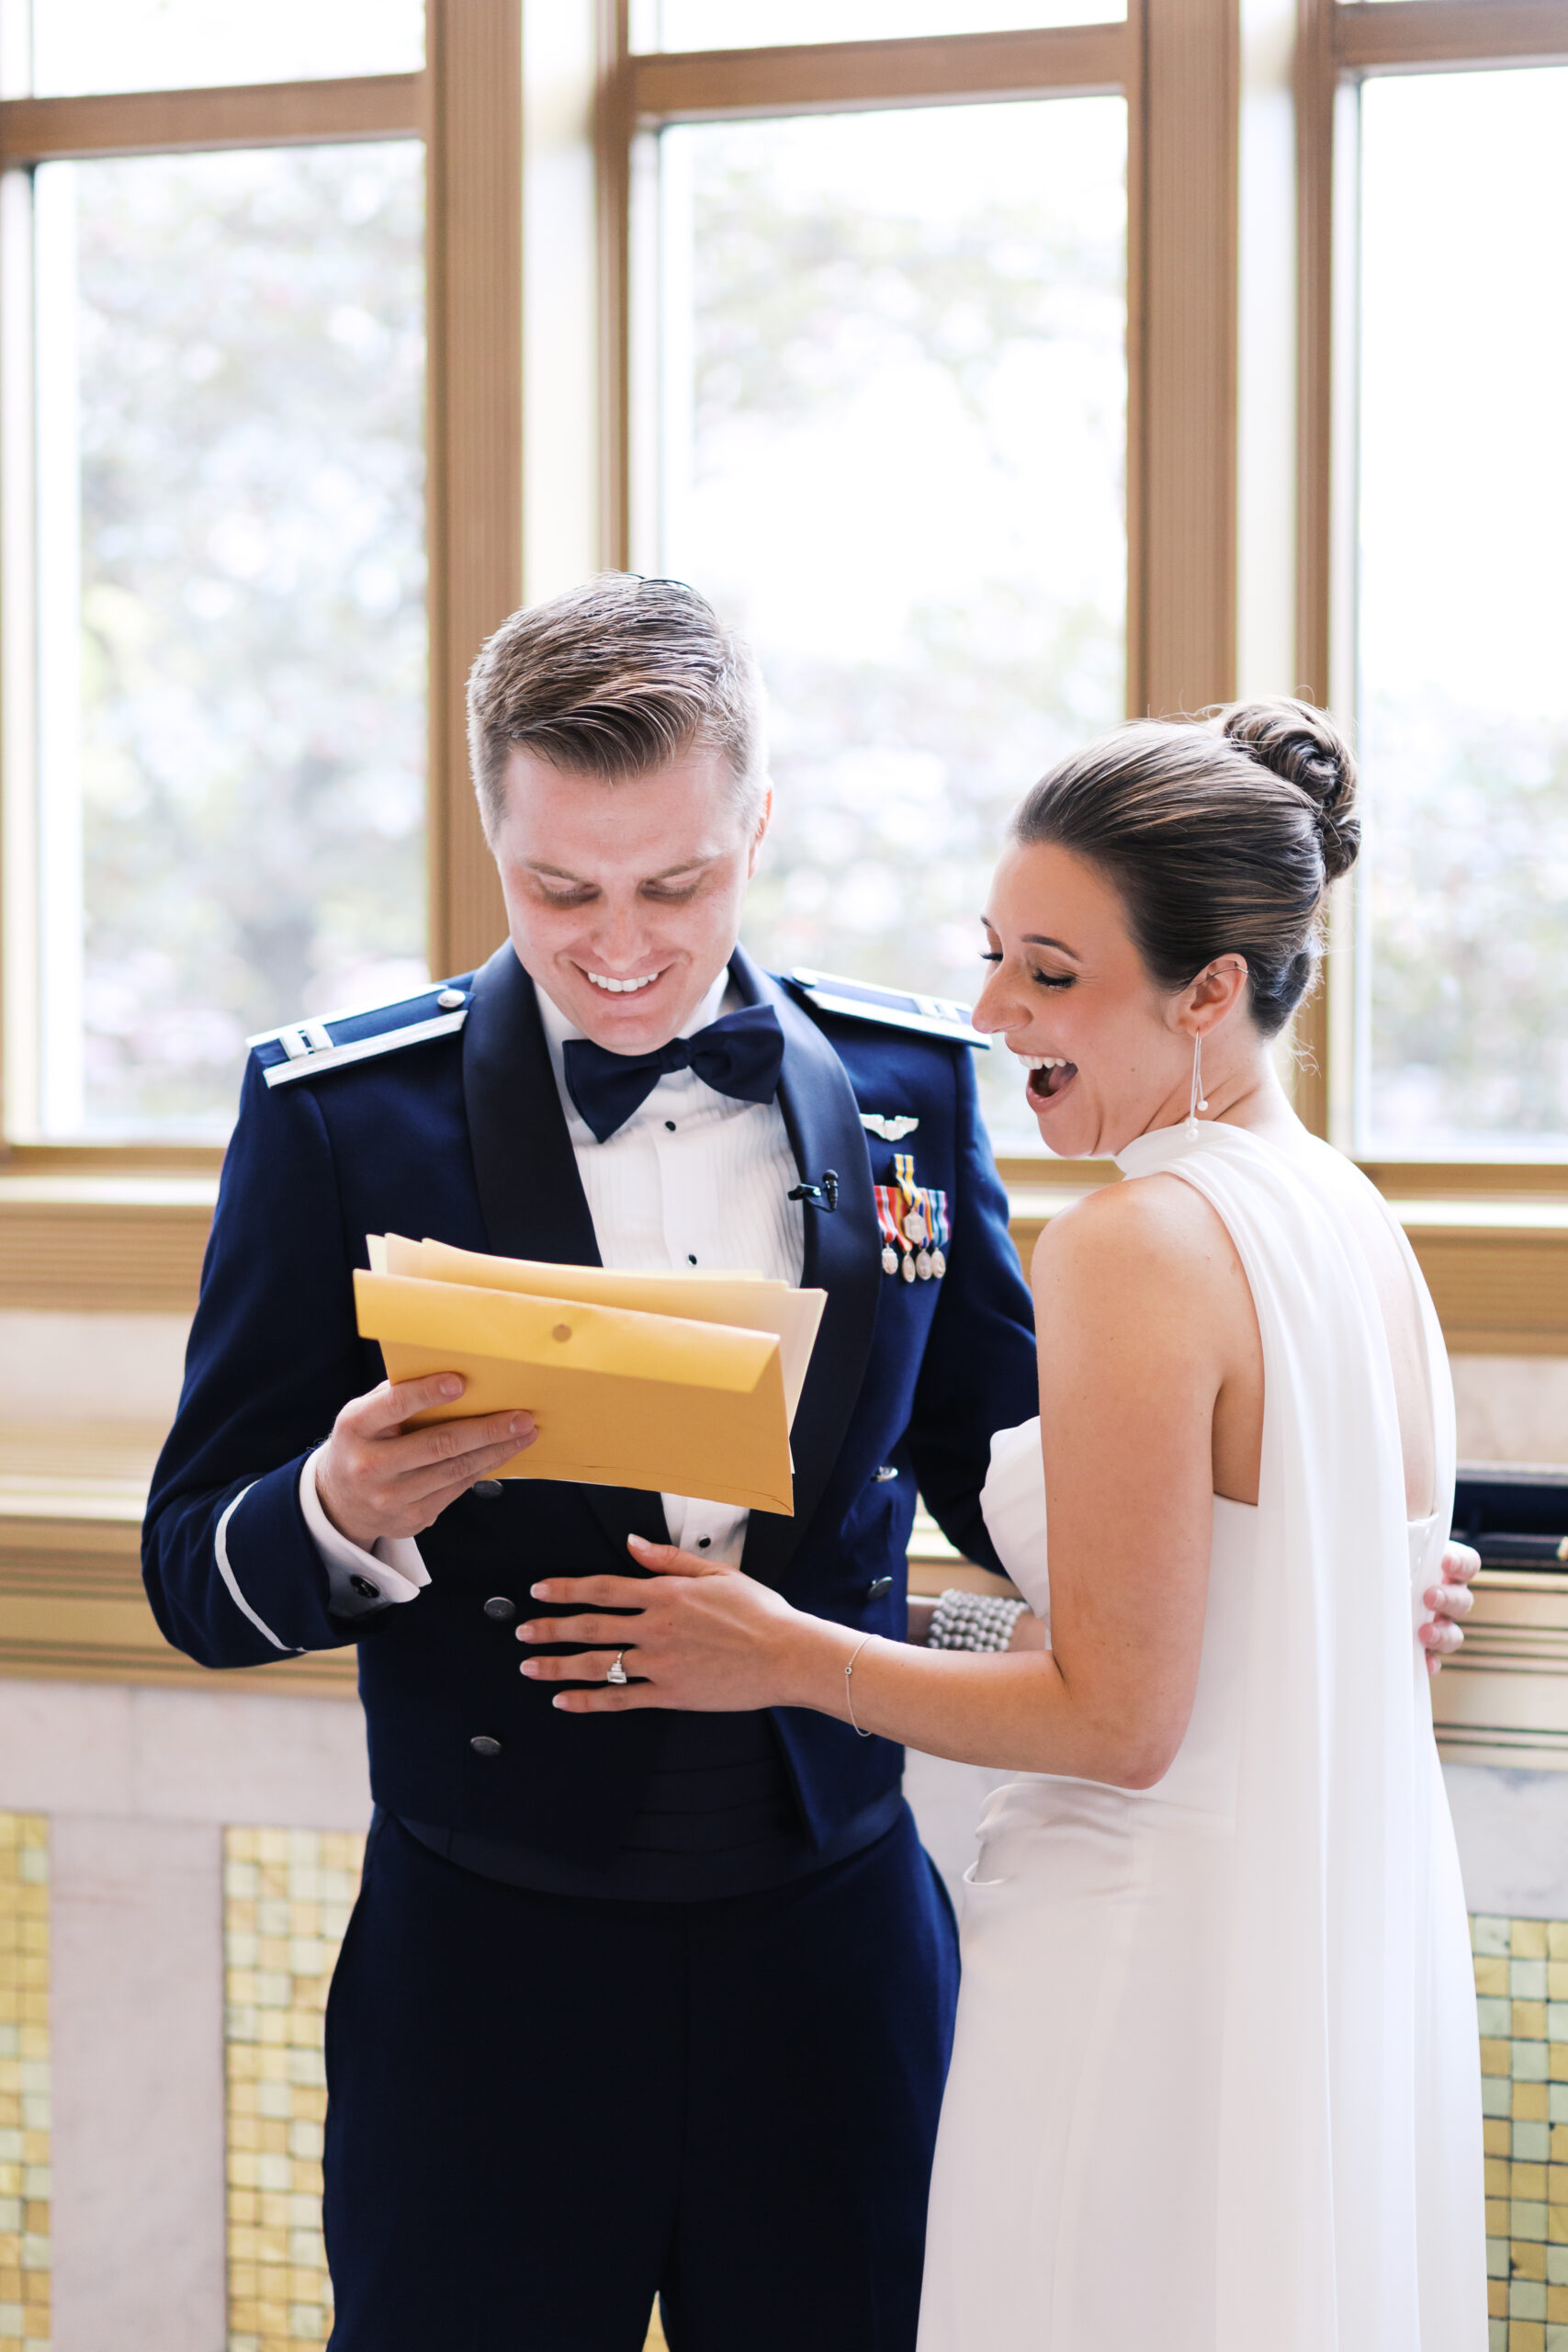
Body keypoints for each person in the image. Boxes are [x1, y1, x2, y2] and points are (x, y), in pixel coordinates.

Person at [141, 573, 1044, 2351]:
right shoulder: (337, 1118)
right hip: (488, 1966)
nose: (622, 946)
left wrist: (1308, 1565)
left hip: (837, 1941)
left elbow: (1012, 1468)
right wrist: (337, 1510)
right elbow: (192, 1573)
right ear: (493, 837)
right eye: (562, 891)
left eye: (679, 884)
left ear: (758, 823)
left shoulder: (914, 1085)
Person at [524, 698, 1488, 2350]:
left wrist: (780, 1652)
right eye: (994, 956)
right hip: (1302, 1998)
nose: (988, 1012)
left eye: (1051, 973)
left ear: (1208, 991)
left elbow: (1115, 1717)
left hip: (1133, 1986)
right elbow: (1225, 1619)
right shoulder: (1351, 1222)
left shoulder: (1138, 1243)